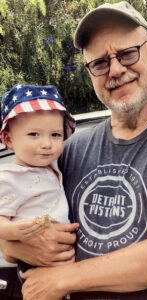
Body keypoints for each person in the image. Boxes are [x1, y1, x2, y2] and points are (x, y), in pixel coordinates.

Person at [1, 1, 147, 299]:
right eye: (100, 63)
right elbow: (16, 212)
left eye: (128, 53)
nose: (115, 69)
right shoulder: (67, 150)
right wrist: (11, 244)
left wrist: (62, 279)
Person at [0, 84, 77, 300]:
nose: (47, 144)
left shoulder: (51, 167)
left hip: (62, 267)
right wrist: (15, 232)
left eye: (55, 134)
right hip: (35, 263)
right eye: (34, 134)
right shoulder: (9, 178)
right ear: (8, 139)